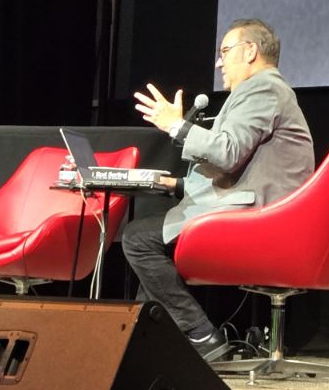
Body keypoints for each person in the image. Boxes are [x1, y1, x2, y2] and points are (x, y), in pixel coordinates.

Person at [123, 18, 314, 360]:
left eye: (224, 51)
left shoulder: (262, 88)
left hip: (263, 218)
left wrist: (177, 126)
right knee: (155, 249)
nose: (218, 62)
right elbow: (243, 166)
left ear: (251, 51)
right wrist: (177, 184)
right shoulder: (262, 91)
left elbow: (227, 153)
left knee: (138, 240)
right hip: (257, 206)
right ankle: (144, 348)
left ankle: (201, 337)